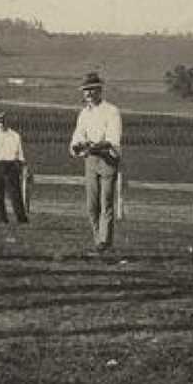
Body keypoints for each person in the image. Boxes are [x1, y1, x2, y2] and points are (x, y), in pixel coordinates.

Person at [69, 72, 122, 253]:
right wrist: (77, 146)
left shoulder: (112, 111)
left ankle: (104, 242)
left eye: (92, 90)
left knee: (106, 202)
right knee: (92, 205)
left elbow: (113, 139)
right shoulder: (84, 113)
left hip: (107, 159)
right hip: (90, 160)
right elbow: (77, 136)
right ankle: (98, 239)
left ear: (100, 90)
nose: (89, 94)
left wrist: (93, 147)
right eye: (85, 91)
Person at [0, 111, 29, 224]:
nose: (0, 124)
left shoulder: (14, 135)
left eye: (2, 121)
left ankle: (21, 218)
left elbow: (20, 153)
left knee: (15, 194)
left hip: (11, 166)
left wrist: (23, 167)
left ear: (6, 122)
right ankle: (2, 218)